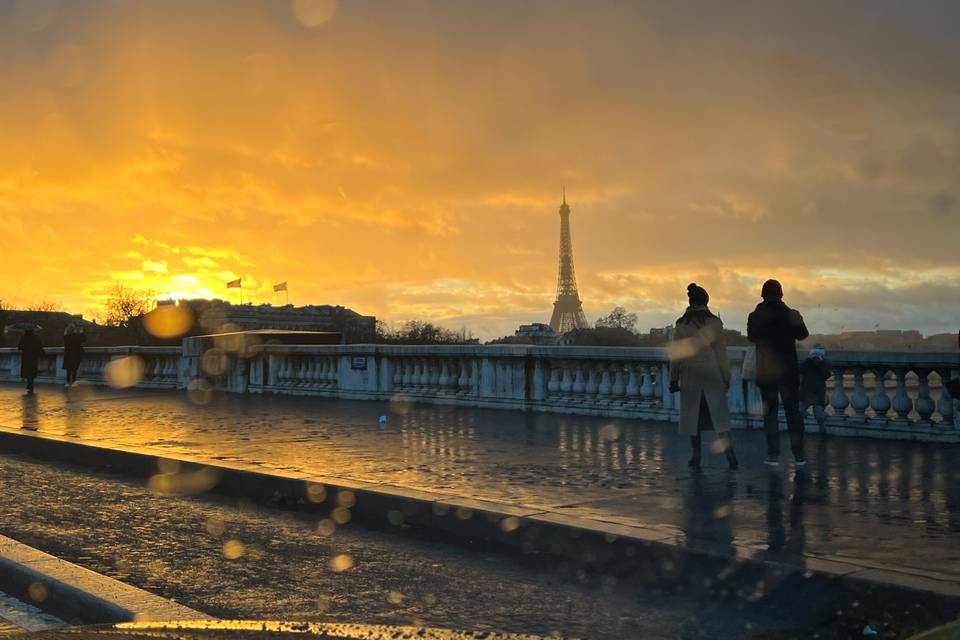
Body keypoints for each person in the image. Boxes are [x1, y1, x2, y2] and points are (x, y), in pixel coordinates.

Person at [670, 283, 738, 470]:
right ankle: (730, 455)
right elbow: (721, 354)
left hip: (690, 374)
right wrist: (726, 377)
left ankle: (696, 455)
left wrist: (673, 378)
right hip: (712, 373)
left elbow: (677, 354)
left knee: (693, 419)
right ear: (706, 301)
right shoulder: (714, 323)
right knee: (719, 419)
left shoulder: (682, 324)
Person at [747, 279, 809, 467]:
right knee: (793, 414)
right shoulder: (791, 314)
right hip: (788, 372)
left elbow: (751, 337)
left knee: (770, 414)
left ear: (763, 295)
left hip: (766, 372)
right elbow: (803, 334)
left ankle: (773, 454)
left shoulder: (754, 316)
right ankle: (798, 455)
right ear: (781, 294)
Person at [799, 345, 830, 433]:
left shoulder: (824, 364)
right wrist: (808, 360)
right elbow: (800, 369)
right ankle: (805, 420)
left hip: (817, 394)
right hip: (806, 392)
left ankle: (822, 431)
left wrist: (820, 363)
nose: (815, 359)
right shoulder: (807, 363)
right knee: (799, 411)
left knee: (819, 416)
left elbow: (827, 375)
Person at [17, 328, 45, 396]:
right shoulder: (36, 337)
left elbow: (19, 347)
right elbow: (40, 346)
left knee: (27, 371)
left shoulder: (24, 337)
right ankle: (31, 384)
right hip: (34, 357)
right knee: (32, 371)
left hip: (26, 357)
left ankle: (29, 384)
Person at [62, 322, 86, 387]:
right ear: (75, 330)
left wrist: (67, 329)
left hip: (68, 355)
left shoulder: (67, 337)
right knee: (74, 369)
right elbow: (84, 339)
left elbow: (64, 335)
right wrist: (81, 331)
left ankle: (67, 382)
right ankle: (73, 382)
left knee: (68, 370)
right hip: (76, 354)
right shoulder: (77, 337)